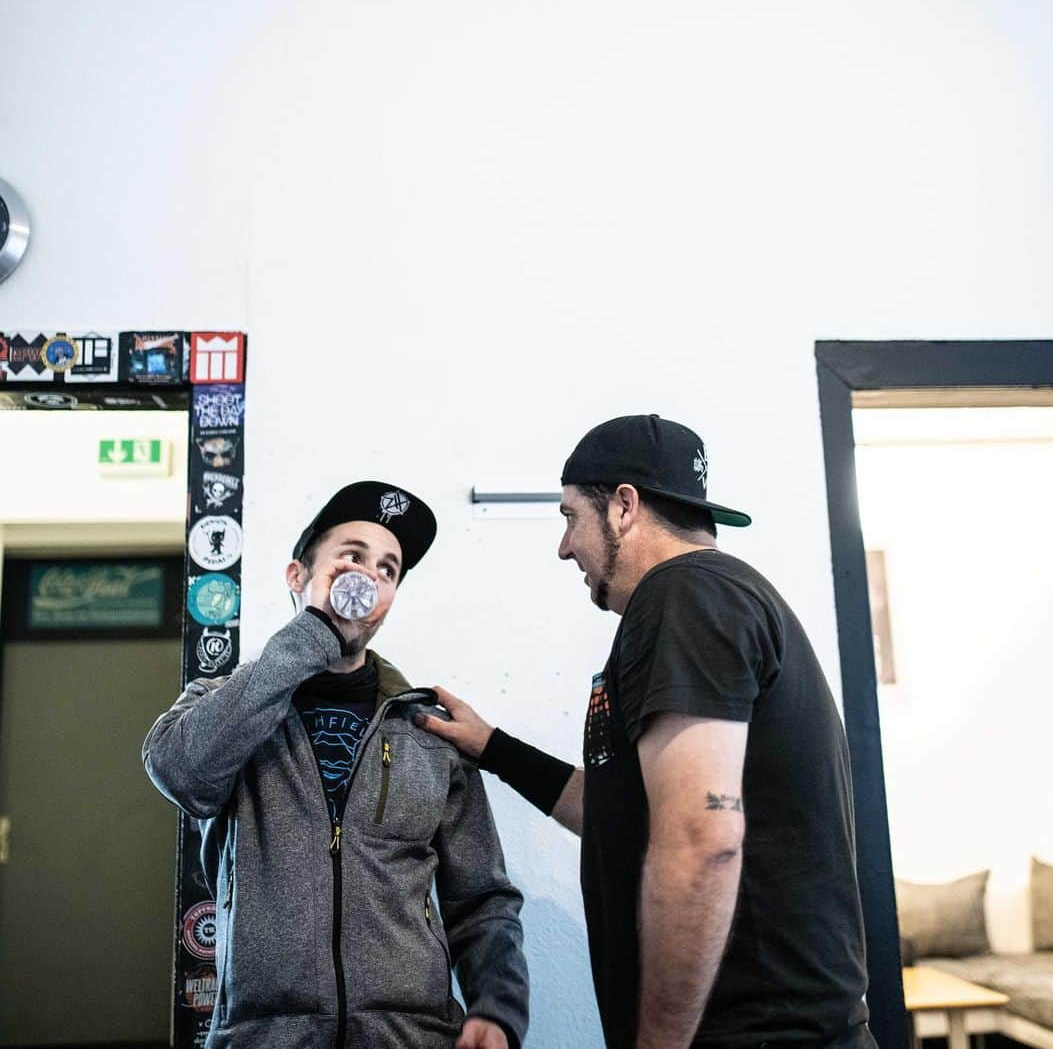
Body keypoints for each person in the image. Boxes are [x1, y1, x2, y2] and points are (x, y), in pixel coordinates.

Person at [417, 416, 874, 1049]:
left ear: (624, 507)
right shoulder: (714, 597)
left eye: (571, 516)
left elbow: (699, 835)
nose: (564, 546)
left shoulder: (684, 595)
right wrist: (494, 748)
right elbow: (621, 812)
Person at [144, 480, 528, 1049]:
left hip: (411, 1037)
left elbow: (482, 898)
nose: (369, 577)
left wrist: (497, 1009)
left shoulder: (429, 729)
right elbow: (181, 773)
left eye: (389, 569)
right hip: (263, 1037)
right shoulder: (222, 705)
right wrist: (314, 632)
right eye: (352, 556)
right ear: (298, 577)